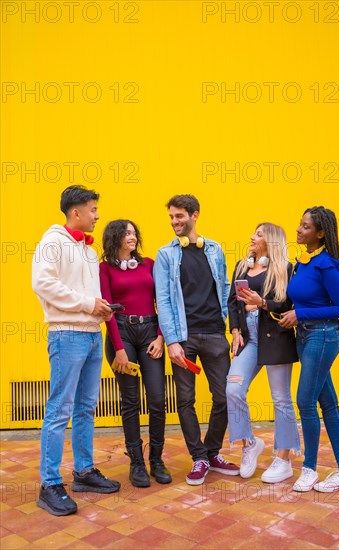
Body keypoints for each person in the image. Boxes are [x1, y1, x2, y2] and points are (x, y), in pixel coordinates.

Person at [32, 185, 121, 517]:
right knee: (59, 410)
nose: (97, 215)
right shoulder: (53, 241)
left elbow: (89, 294)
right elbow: (42, 283)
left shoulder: (86, 249)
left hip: (91, 334)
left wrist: (102, 309)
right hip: (66, 335)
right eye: (93, 209)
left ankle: (84, 471)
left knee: (85, 408)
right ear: (76, 212)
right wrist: (88, 304)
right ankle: (49, 484)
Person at [153, 194, 239, 485]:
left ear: (195, 215)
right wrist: (172, 341)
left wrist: (231, 327)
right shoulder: (165, 255)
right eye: (172, 217)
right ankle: (199, 457)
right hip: (184, 338)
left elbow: (226, 288)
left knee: (225, 396)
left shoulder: (214, 249)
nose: (175, 222)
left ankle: (213, 452)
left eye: (179, 216)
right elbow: (163, 300)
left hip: (215, 334)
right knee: (186, 400)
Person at [279, 206, 339, 493]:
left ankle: (309, 468)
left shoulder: (326, 265)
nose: (299, 230)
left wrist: (301, 315)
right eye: (300, 225)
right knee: (329, 404)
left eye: (305, 227)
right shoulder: (304, 262)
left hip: (323, 336)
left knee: (305, 401)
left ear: (320, 233)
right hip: (306, 337)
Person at [100, 219, 171, 488]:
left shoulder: (149, 264)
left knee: (157, 399)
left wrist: (162, 337)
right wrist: (119, 349)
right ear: (115, 237)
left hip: (151, 332)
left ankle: (157, 460)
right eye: (127, 233)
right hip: (122, 333)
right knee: (130, 401)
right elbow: (107, 311)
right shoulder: (104, 269)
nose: (132, 236)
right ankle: (136, 463)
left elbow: (162, 302)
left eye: (134, 232)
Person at [226, 223, 300, 483]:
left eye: (258, 234)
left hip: (275, 337)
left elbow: (289, 305)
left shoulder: (285, 269)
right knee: (233, 389)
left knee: (281, 399)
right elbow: (232, 302)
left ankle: (284, 460)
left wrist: (262, 303)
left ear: (271, 241)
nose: (252, 237)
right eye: (253, 233)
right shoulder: (241, 266)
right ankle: (249, 443)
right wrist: (235, 329)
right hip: (249, 338)